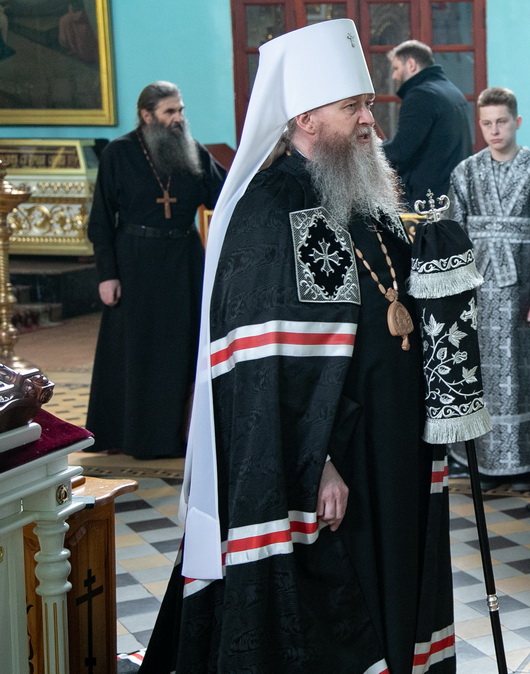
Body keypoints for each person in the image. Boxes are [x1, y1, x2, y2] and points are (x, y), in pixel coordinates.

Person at [141, 20, 453, 672]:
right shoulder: (270, 211)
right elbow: (262, 371)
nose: (370, 120)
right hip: (333, 457)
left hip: (394, 441)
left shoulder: (360, 191)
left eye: (368, 103)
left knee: (399, 587)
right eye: (353, 107)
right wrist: (317, 464)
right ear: (307, 118)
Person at [447, 86, 530, 491]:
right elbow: (453, 235)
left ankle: (525, 464)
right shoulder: (464, 173)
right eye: (487, 123)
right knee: (480, 380)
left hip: (526, 301)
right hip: (477, 300)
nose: (494, 130)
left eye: (502, 122)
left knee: (523, 382)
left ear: (517, 122)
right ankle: (484, 465)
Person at [85, 81, 225, 459]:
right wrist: (107, 275)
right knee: (136, 353)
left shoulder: (193, 151)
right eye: (169, 112)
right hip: (135, 264)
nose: (179, 118)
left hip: (183, 264)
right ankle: (129, 435)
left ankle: (175, 436)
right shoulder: (119, 154)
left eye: (180, 110)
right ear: (146, 115)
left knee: (181, 351)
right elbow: (101, 220)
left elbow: (227, 194)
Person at [382, 39, 472, 202]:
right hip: (452, 193)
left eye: (396, 68)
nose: (394, 76)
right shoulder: (451, 90)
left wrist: (369, 151)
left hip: (428, 200)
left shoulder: (421, 96)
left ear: (411, 64)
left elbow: (401, 151)